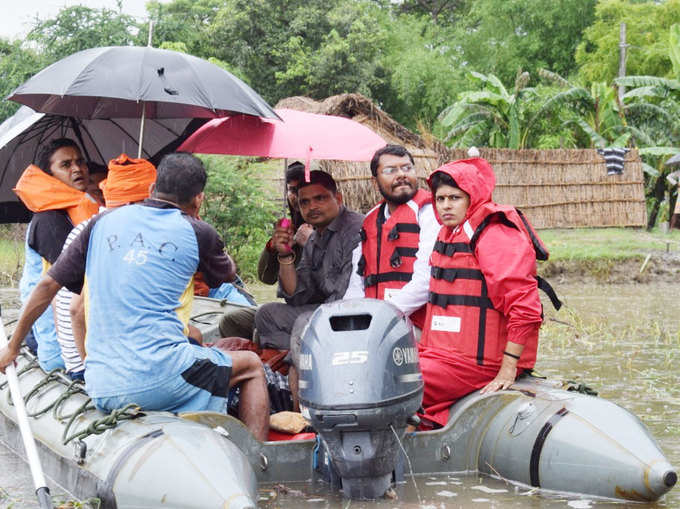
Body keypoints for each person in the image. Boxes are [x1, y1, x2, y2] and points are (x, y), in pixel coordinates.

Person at [1, 153, 269, 441]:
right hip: (158, 377)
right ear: (199, 199)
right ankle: (260, 460)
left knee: (192, 342)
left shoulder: (98, 224)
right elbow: (226, 276)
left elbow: (47, 288)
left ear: (152, 189)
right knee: (251, 366)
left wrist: (13, 348)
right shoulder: (198, 231)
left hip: (100, 385)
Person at [418, 157, 545, 428]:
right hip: (441, 356)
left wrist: (508, 367)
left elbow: (525, 308)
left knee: (394, 380)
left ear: (472, 197)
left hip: (479, 363)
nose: (446, 205)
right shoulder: (449, 233)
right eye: (440, 199)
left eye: (455, 197)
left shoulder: (494, 234)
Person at [12, 138, 99, 371]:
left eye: (80, 162)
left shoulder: (78, 210)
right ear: (50, 176)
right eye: (66, 165)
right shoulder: (49, 220)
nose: (77, 169)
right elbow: (79, 284)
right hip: (59, 347)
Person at [344, 145, 440, 333]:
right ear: (375, 182)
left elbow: (426, 280)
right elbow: (356, 282)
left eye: (407, 168)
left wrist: (383, 314)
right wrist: (353, 317)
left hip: (418, 325)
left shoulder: (429, 213)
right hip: (376, 320)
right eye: (390, 170)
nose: (401, 175)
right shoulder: (370, 219)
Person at [218, 161, 313, 340]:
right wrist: (274, 248)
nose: (295, 196)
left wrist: (311, 241)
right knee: (231, 321)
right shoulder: (290, 227)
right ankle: (253, 365)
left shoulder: (325, 229)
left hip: (314, 312)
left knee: (262, 327)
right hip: (290, 309)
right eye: (291, 190)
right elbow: (266, 278)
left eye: (300, 189)